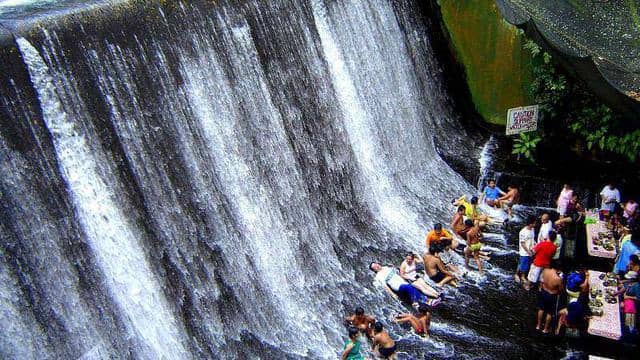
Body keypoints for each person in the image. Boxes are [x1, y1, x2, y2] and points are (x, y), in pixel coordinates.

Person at [370, 262, 441, 306]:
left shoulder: (387, 267)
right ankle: (427, 301)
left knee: (414, 286)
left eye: (376, 264)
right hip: (398, 287)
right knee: (408, 287)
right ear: (374, 270)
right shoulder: (379, 276)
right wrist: (393, 294)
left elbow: (398, 274)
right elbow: (386, 287)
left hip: (403, 282)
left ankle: (433, 297)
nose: (377, 266)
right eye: (375, 267)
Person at [536, 263, 565, 334]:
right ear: (558, 270)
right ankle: (545, 329)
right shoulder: (558, 279)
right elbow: (560, 289)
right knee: (549, 312)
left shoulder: (545, 271)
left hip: (544, 291)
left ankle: (538, 325)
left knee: (541, 308)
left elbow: (541, 280)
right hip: (552, 295)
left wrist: (540, 287)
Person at [516, 216, 536, 289]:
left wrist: (534, 248)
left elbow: (533, 239)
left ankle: (518, 274)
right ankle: (522, 276)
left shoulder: (532, 229)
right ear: (530, 224)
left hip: (531, 250)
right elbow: (522, 243)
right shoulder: (523, 232)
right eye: (534, 223)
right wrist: (528, 252)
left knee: (524, 263)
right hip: (524, 252)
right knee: (524, 265)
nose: (535, 224)